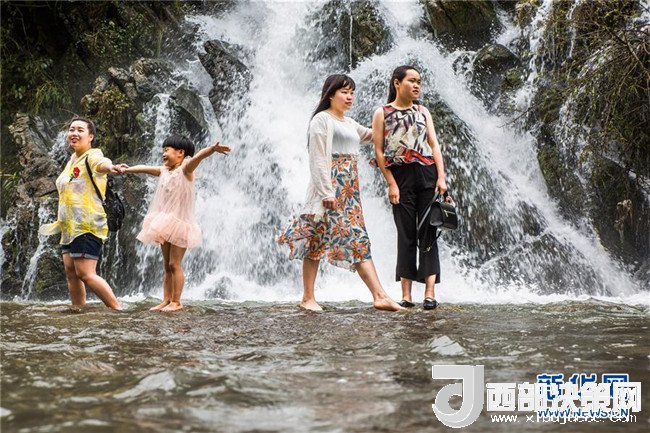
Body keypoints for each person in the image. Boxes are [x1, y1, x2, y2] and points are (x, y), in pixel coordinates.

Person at [278, 74, 402, 312]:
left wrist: (395, 116)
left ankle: (313, 297)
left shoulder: (349, 122)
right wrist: (327, 192)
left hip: (349, 189)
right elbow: (317, 159)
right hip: (331, 188)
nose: (349, 97)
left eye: (352, 93)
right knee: (328, 237)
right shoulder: (321, 120)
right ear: (330, 94)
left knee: (332, 238)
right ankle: (373, 296)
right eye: (344, 92)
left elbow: (373, 135)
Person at [118, 135, 230, 312]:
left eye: (167, 150)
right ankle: (166, 300)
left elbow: (198, 157)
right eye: (163, 150)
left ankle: (176, 302)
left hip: (181, 225)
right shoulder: (164, 170)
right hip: (164, 223)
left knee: (174, 264)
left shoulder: (186, 169)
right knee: (167, 265)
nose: (163, 153)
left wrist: (211, 149)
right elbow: (144, 168)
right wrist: (127, 169)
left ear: (180, 153)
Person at [371, 65, 448, 310]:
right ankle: (406, 295)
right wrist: (391, 183)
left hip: (427, 175)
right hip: (400, 177)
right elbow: (379, 152)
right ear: (397, 83)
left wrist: (441, 178)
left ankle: (430, 293)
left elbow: (434, 145)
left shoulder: (423, 111)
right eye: (412, 81)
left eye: (419, 82)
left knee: (428, 233)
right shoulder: (382, 113)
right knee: (406, 235)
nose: (416, 85)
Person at [39, 117, 122, 310]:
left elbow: (101, 164)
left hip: (87, 224)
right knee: (72, 273)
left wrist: (111, 168)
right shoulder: (72, 160)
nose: (74, 133)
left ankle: (117, 310)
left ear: (90, 136)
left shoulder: (92, 155)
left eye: (80, 130)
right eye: (71, 129)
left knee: (86, 273)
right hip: (69, 227)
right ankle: (79, 309)